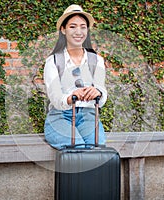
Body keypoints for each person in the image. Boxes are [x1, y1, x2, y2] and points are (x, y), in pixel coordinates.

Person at [43, 4, 107, 149]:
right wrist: (71, 96)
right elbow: (55, 97)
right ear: (63, 30)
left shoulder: (97, 60)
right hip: (60, 116)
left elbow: (102, 93)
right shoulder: (53, 61)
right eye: (72, 26)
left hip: (88, 116)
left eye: (83, 27)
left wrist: (98, 92)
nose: (78, 31)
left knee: (96, 146)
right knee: (76, 147)